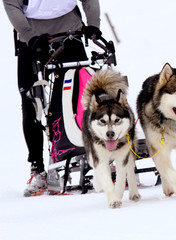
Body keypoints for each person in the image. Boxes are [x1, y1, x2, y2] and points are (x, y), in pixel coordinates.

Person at [3, 0, 102, 196]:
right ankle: (38, 169)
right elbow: (11, 5)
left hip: (70, 30)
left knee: (84, 95)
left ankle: (100, 159)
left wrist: (93, 25)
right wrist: (29, 37)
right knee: (30, 102)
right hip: (31, 35)